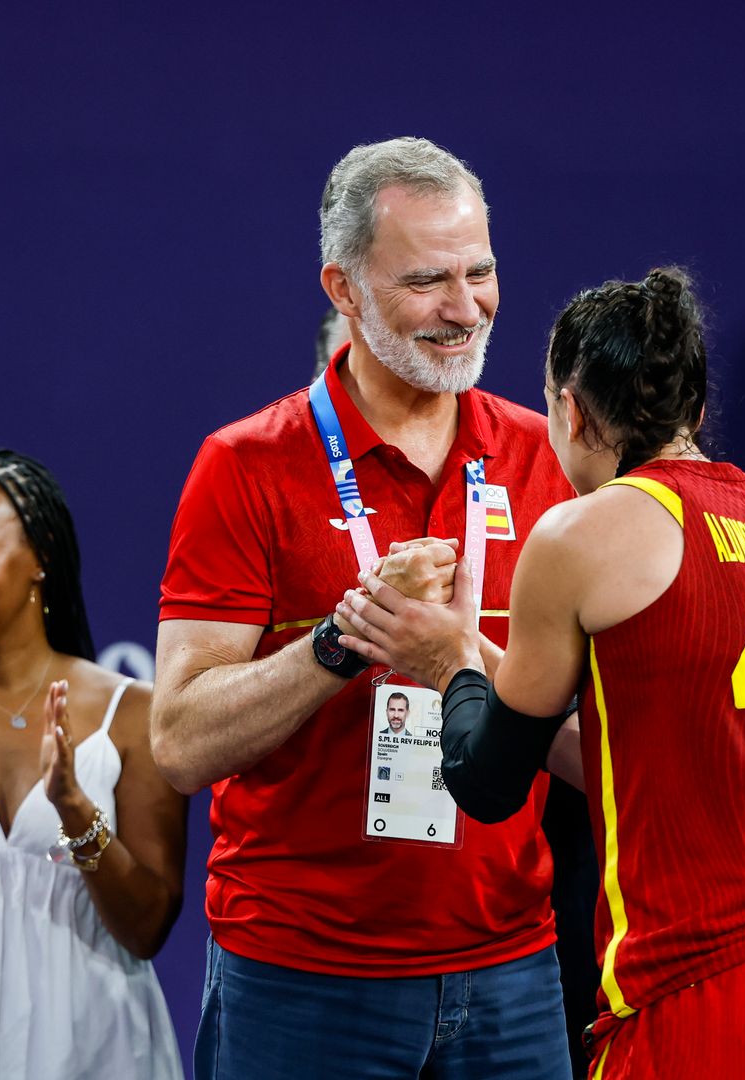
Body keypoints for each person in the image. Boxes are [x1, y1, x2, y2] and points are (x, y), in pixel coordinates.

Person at [339, 268, 745, 1078]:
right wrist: (487, 664)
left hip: (716, 991)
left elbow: (487, 779)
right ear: (698, 410)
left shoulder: (582, 533)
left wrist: (449, 662)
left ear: (571, 410)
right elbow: (663, 750)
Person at [152, 137, 574, 1079]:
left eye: (482, 272)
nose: (466, 310)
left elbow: (596, 747)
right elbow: (179, 742)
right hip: (302, 978)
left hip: (511, 968)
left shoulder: (547, 458)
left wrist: (460, 662)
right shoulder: (245, 465)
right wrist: (341, 644)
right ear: (342, 289)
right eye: (428, 281)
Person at [0, 449, 186, 1080]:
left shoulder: (132, 714)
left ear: (41, 558)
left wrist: (75, 811)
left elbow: (148, 926)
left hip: (96, 1043)